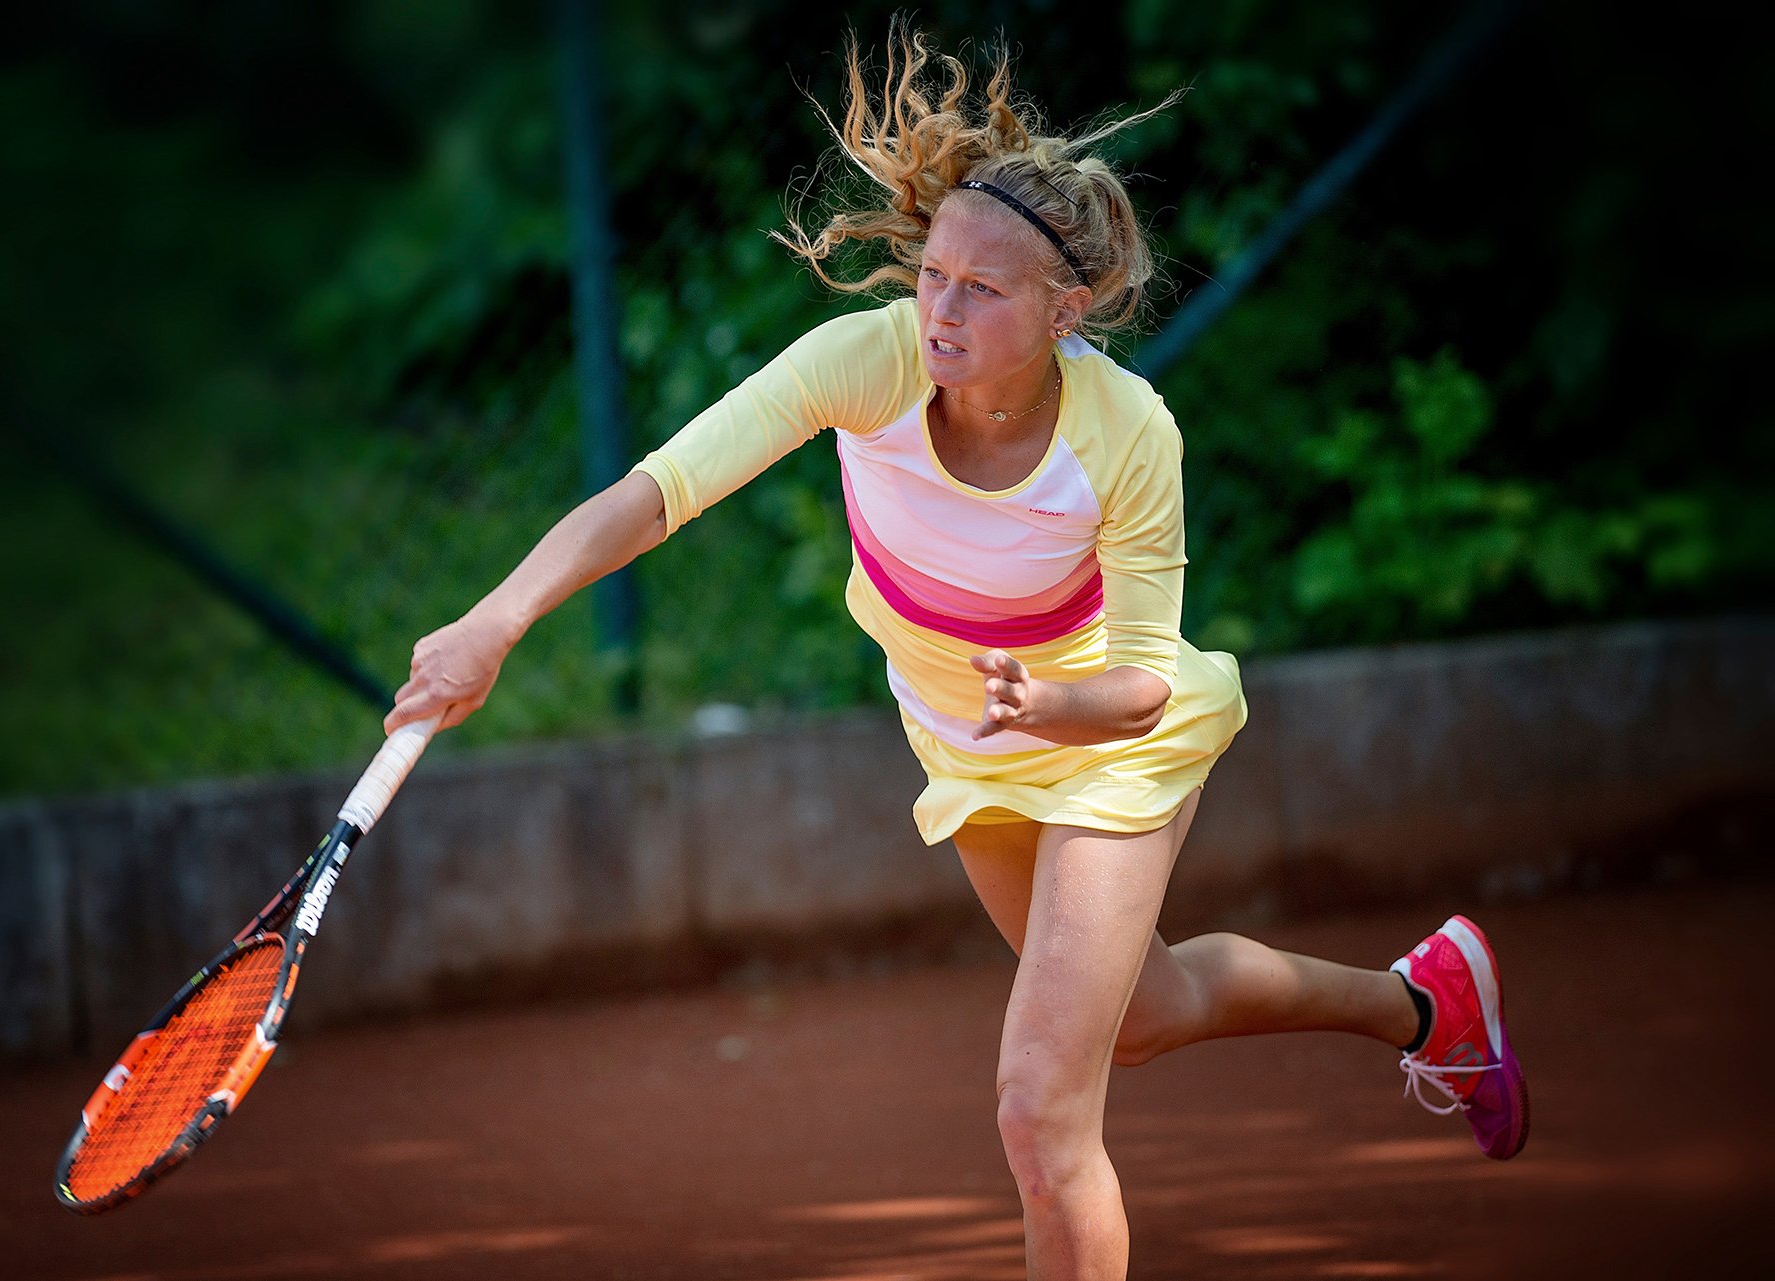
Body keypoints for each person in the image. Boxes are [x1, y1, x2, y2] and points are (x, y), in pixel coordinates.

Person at [384, 25, 1529, 1279]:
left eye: (983, 290)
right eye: (933, 274)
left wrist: (1056, 702)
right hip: (961, 734)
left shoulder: (1130, 433)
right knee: (1138, 1020)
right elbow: (660, 491)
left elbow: (1149, 675)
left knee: (1042, 1108)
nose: (941, 307)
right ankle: (1425, 1005)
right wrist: (497, 617)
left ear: (1063, 309)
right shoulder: (860, 363)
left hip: (1107, 738)